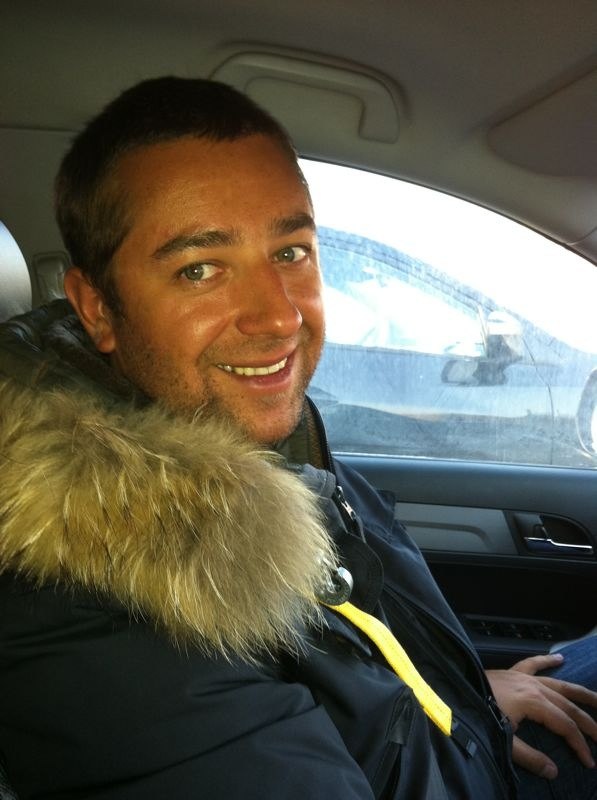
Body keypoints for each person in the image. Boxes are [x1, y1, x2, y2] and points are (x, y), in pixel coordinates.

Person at [0, 76, 596, 800]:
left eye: (290, 253)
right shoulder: (75, 600)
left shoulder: (245, 440)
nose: (279, 317)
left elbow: (352, 674)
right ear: (97, 309)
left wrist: (462, 702)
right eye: (200, 269)